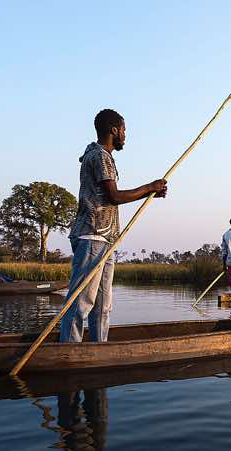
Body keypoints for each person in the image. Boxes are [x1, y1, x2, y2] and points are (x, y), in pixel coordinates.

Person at [59, 109, 168, 343]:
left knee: (103, 305)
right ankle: (68, 349)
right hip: (92, 236)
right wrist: (150, 187)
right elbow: (114, 196)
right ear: (114, 130)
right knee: (81, 302)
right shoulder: (99, 156)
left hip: (106, 240)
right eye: (124, 130)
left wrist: (151, 192)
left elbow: (112, 196)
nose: (126, 135)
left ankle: (100, 348)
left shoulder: (102, 156)